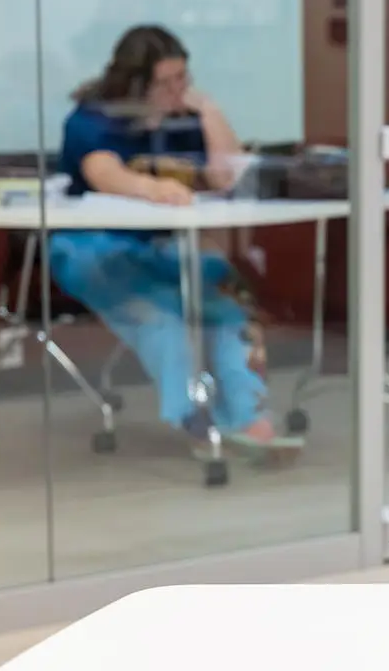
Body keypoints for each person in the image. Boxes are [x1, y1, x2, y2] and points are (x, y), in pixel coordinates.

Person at [52, 24, 302, 462]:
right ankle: (194, 418)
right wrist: (155, 188)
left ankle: (247, 416)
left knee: (228, 306)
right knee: (164, 317)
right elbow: (102, 171)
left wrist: (207, 108)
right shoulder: (91, 119)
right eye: (164, 82)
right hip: (92, 250)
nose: (175, 90)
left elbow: (228, 174)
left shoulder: (181, 118)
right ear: (135, 82)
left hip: (163, 249)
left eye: (181, 79)